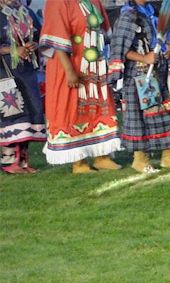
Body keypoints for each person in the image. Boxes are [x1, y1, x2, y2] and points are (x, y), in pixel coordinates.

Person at [39, 0, 122, 173]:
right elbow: (55, 38)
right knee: (72, 109)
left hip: (93, 64)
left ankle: (103, 157)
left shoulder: (92, 1)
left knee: (99, 107)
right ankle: (79, 162)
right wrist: (69, 70)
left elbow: (102, 31)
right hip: (68, 64)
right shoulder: (57, 2)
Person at [108, 0, 170, 174]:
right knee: (141, 118)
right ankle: (140, 160)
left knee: (168, 112)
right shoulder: (127, 16)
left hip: (159, 71)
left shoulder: (153, 11)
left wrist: (168, 48)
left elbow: (163, 37)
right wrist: (144, 58)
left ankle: (169, 157)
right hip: (139, 76)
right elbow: (119, 49)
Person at [0, 0, 45, 173]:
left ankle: (23, 162)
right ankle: (9, 162)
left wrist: (34, 45)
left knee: (29, 114)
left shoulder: (26, 13)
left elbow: (40, 35)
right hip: (4, 72)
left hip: (26, 72)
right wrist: (13, 50)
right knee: (12, 113)